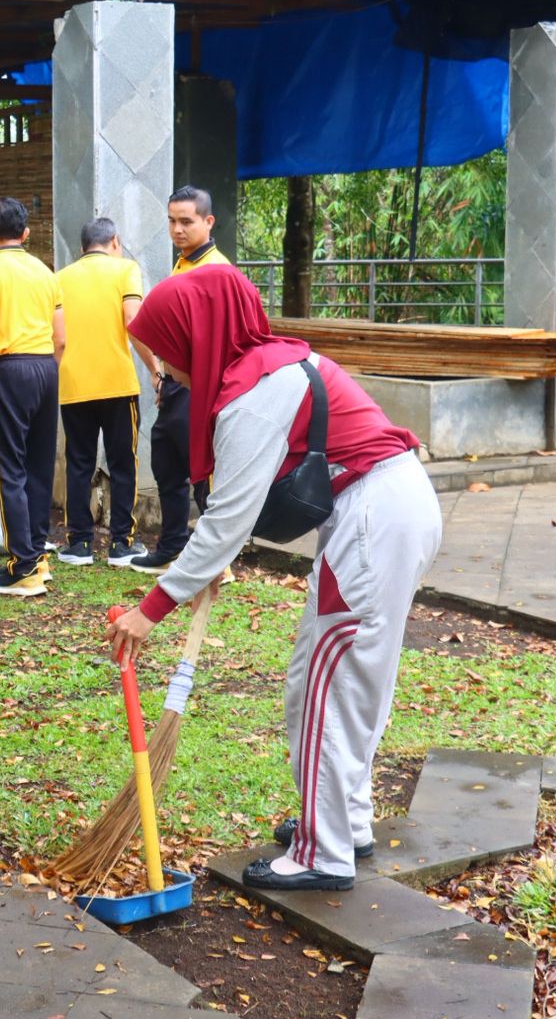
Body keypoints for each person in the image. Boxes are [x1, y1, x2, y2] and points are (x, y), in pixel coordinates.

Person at [108, 264, 440, 893]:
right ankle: (346, 824)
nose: (167, 369)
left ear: (195, 335)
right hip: (384, 513)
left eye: (169, 352)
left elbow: (227, 518)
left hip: (374, 522)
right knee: (341, 679)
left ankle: (324, 852)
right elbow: (236, 510)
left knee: (328, 687)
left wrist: (149, 610)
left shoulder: (256, 392)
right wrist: (209, 560)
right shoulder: (268, 365)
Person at [0, 197, 64, 596]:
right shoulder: (45, 271)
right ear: (25, 233)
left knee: (8, 468)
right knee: (39, 467)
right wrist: (48, 368)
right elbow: (61, 338)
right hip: (45, 368)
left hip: (8, 370)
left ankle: (22, 566)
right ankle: (37, 555)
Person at [130, 186, 231, 575]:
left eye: (186, 221)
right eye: (172, 221)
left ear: (208, 222)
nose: (177, 229)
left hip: (201, 387)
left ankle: (218, 560)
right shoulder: (184, 263)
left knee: (203, 474)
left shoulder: (216, 269)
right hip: (173, 385)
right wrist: (160, 375)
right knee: (167, 466)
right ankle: (172, 547)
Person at [54, 217, 157, 568]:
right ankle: (121, 544)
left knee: (78, 464)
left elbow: (57, 335)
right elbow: (133, 321)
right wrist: (155, 366)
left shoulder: (61, 278)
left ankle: (78, 543)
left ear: (83, 247)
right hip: (117, 384)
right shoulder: (125, 269)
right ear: (115, 241)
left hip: (73, 384)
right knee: (123, 463)